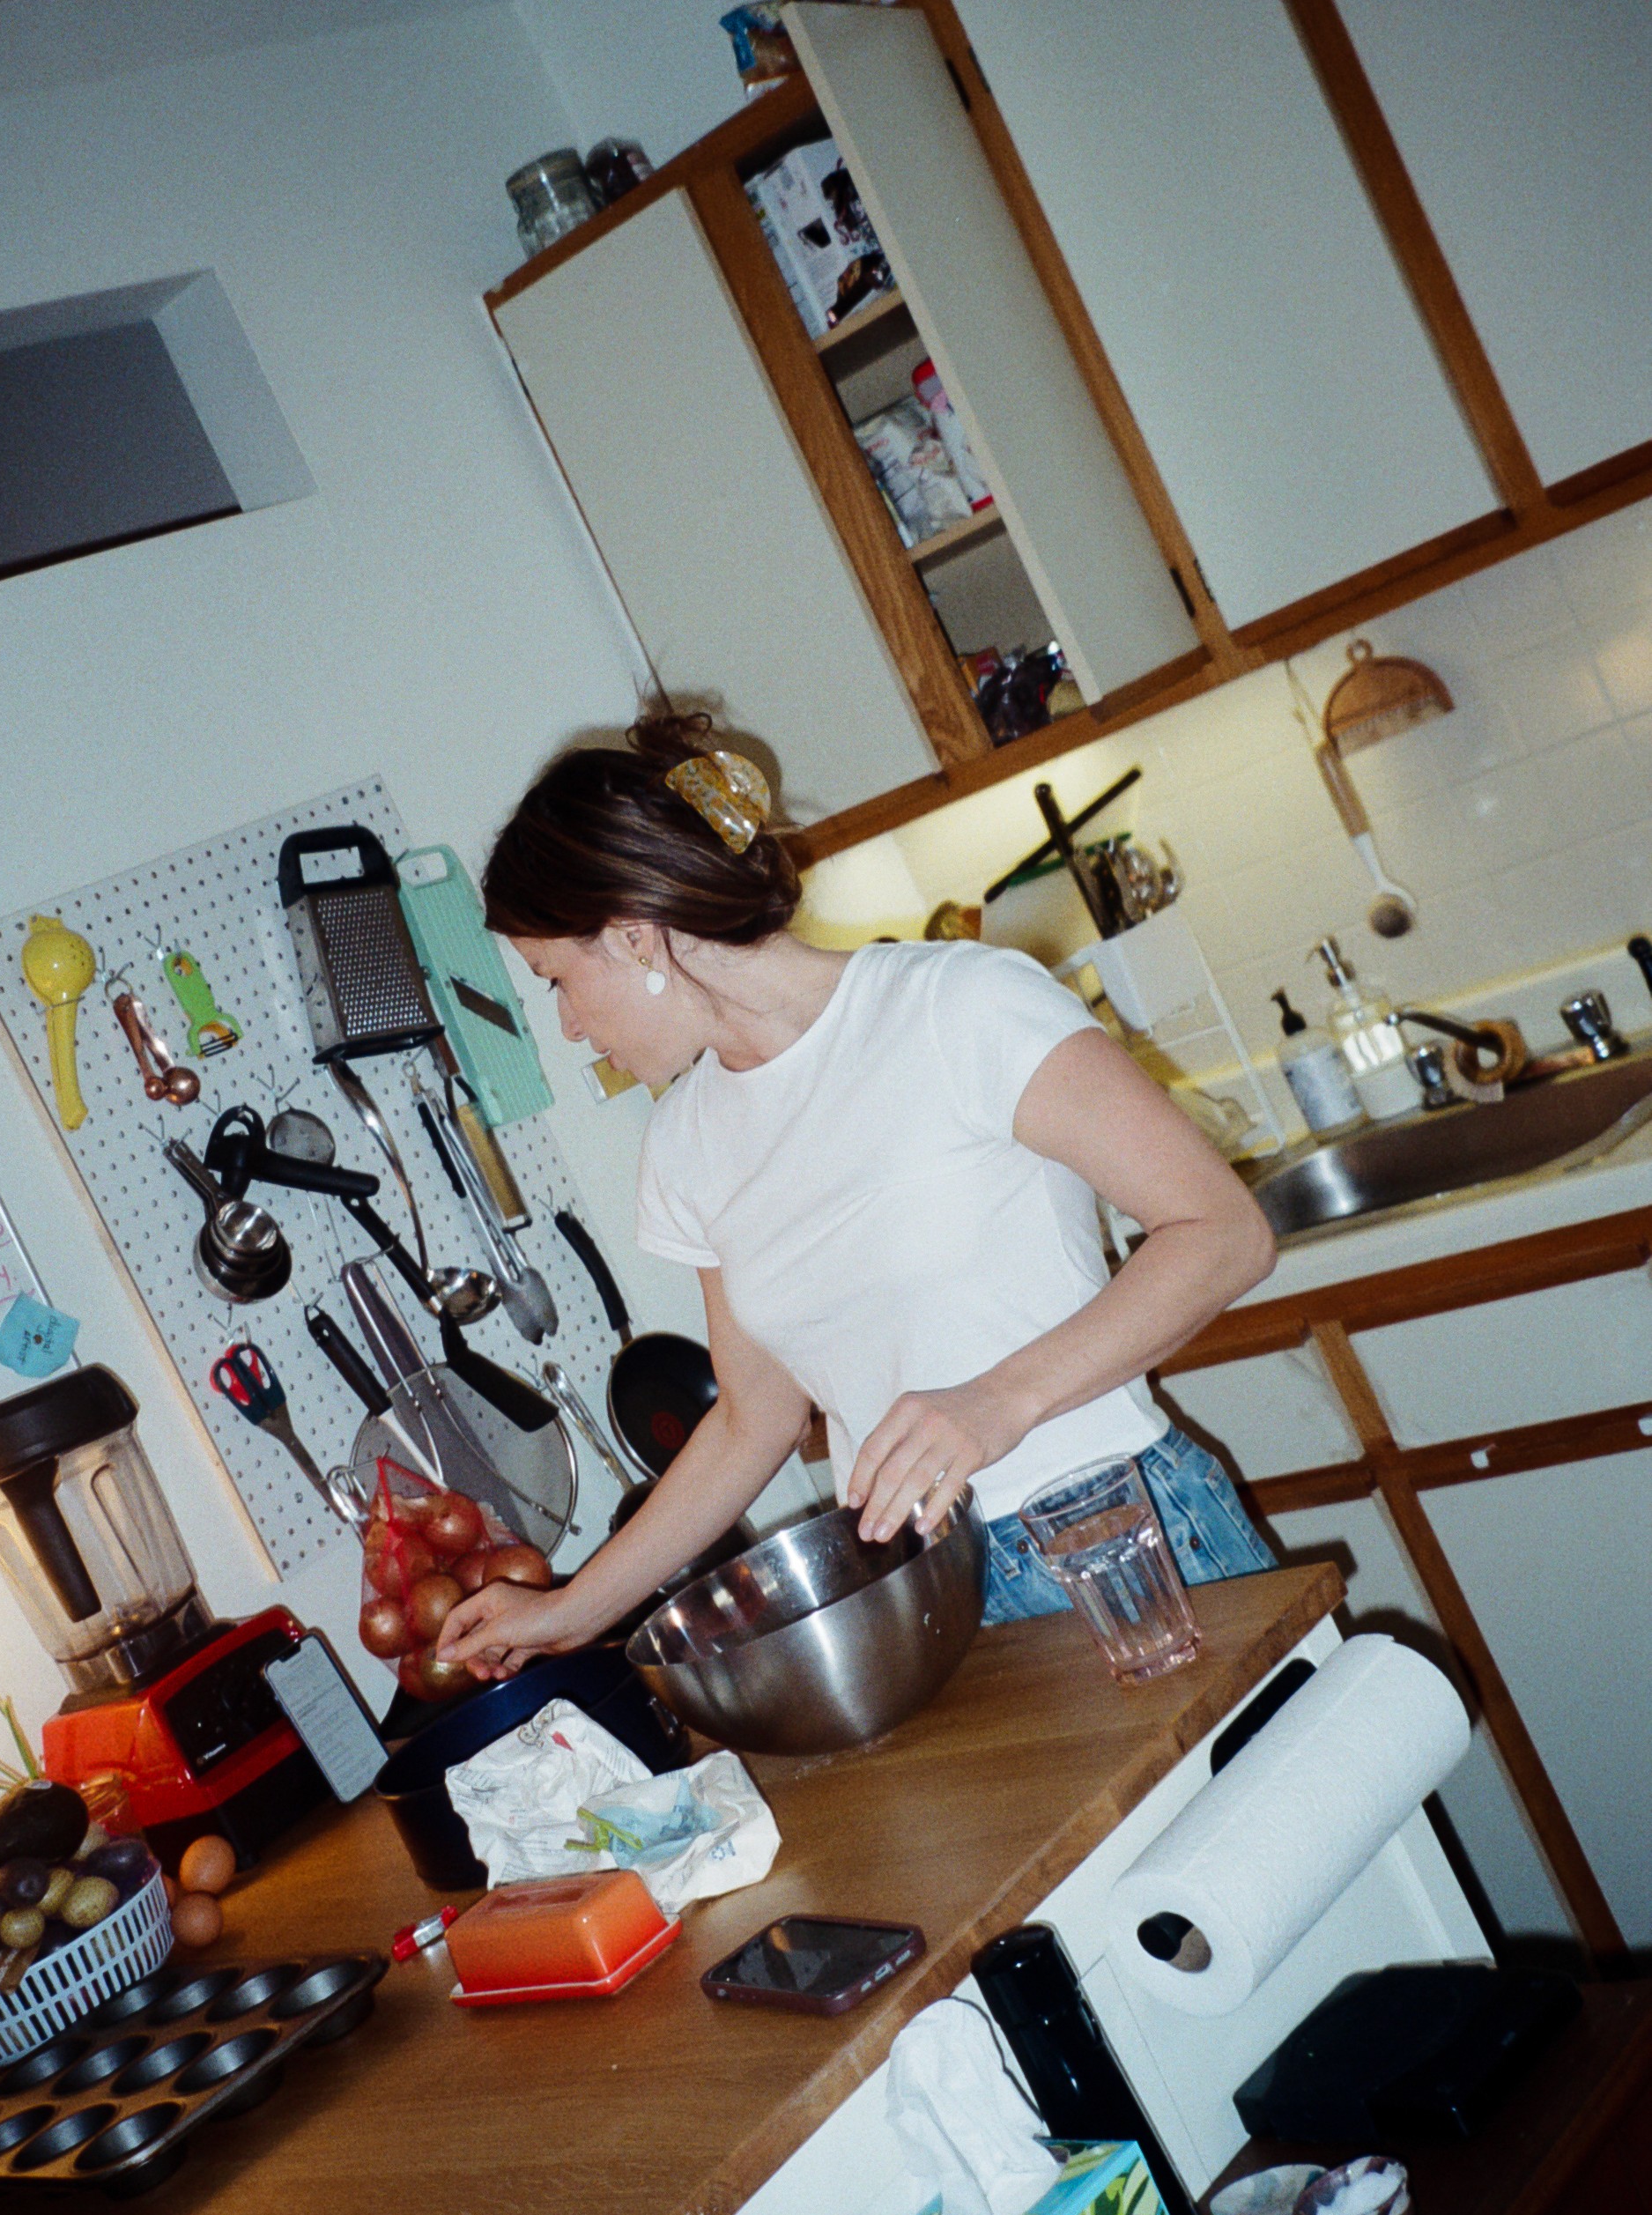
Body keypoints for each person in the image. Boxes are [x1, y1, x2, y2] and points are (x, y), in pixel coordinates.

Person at [440, 712, 1278, 1678]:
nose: (569, 1026)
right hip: (927, 1591)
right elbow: (753, 1417)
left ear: (633, 936)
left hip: (1115, 1540)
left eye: (556, 979)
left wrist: (996, 1402)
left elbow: (1223, 1233)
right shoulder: (682, 1146)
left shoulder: (955, 1004)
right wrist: (569, 1609)